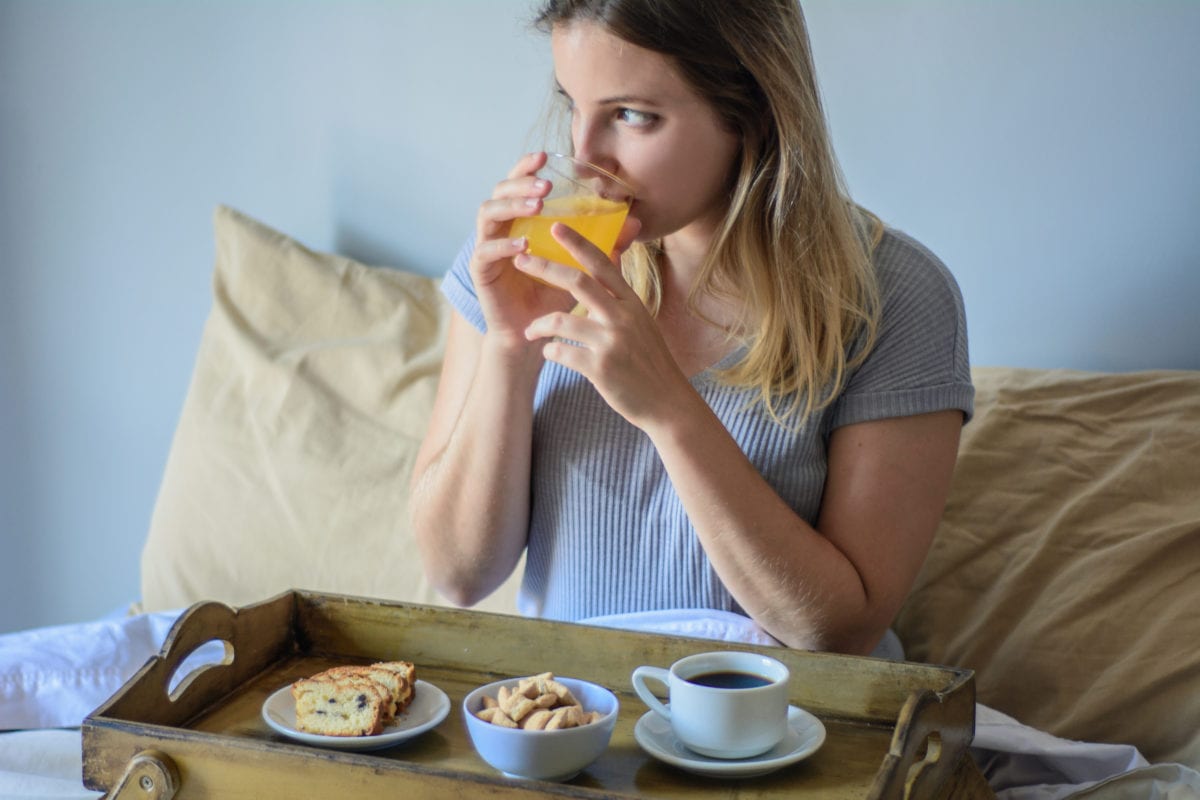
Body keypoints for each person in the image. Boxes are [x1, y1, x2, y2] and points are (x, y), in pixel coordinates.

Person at [410, 0, 973, 659]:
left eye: (631, 116)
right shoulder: (520, 261)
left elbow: (839, 631)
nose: (586, 157)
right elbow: (458, 576)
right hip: (576, 724)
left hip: (777, 734)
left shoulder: (896, 295)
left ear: (754, 109)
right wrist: (510, 352)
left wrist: (672, 410)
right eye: (573, 105)